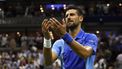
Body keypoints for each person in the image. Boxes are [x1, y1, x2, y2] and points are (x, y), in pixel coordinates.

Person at [42, 5, 98, 69]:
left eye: (72, 15)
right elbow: (48, 61)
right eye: (66, 16)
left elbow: (85, 53)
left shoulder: (90, 37)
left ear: (81, 18)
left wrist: (65, 35)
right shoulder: (59, 43)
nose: (68, 17)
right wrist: (47, 39)